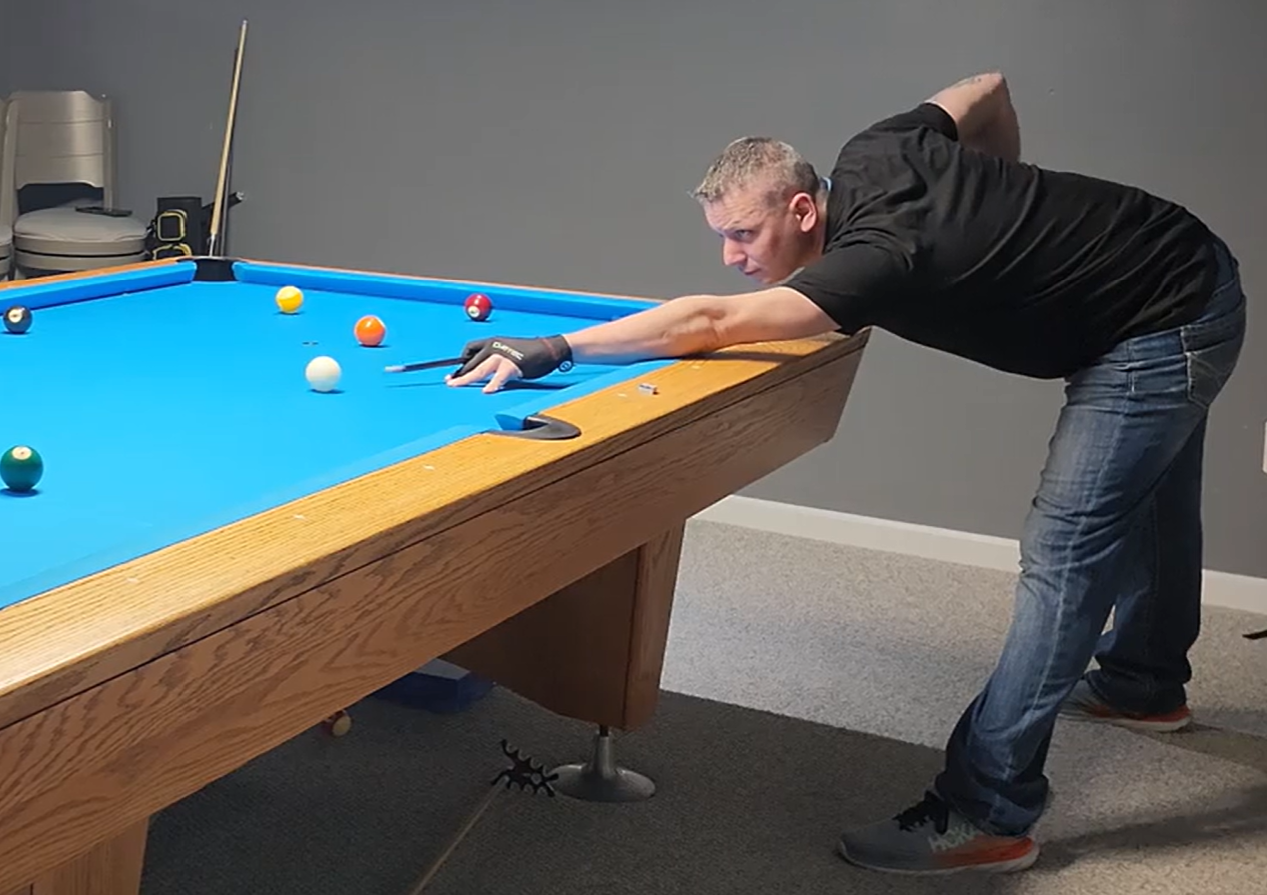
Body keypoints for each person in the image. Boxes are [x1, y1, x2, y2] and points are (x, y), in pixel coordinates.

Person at [449, 71, 1245, 876]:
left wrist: (552, 349)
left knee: (1065, 550)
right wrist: (1003, 189)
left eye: (746, 237)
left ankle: (987, 810)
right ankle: (1144, 684)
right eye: (721, 238)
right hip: (1177, 261)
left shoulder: (872, 261)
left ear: (802, 209)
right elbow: (987, 89)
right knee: (1152, 495)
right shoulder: (878, 148)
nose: (732, 258)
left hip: (1160, 322)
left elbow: (710, 321)